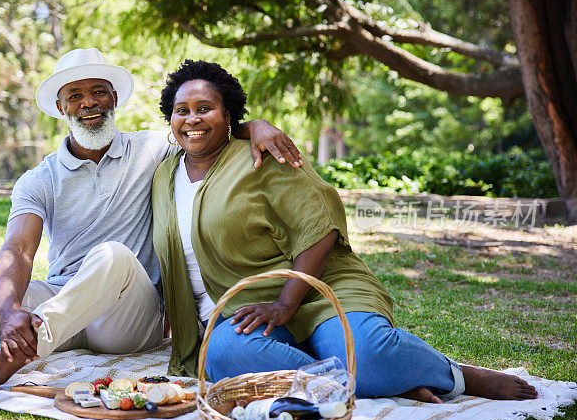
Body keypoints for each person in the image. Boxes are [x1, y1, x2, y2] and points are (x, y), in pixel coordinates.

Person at [0, 49, 304, 415]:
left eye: (98, 92)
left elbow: (204, 125)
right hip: (66, 313)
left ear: (114, 99)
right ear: (60, 106)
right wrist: (10, 309)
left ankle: (3, 364)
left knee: (114, 255)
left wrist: (255, 125)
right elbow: (18, 249)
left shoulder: (154, 148)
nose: (88, 103)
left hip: (130, 320)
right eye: (75, 95)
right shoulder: (40, 178)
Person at [151, 59, 538, 402]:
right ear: (170, 119)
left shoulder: (262, 155)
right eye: (181, 110)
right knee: (223, 356)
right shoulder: (165, 175)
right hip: (248, 311)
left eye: (206, 108)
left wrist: (286, 303)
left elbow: (320, 228)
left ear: (230, 115)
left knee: (367, 355)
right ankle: (362, 380)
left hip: (322, 289)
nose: (192, 119)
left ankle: (454, 376)